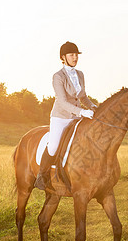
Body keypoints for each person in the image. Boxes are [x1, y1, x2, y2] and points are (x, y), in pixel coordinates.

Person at [34, 41, 97, 190]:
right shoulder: (58, 76)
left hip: (77, 117)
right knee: (54, 146)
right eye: (72, 55)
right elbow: (62, 102)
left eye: (76, 55)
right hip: (60, 117)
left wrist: (94, 107)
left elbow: (83, 97)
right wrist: (82, 112)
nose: (75, 57)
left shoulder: (80, 74)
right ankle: (41, 177)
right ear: (63, 57)